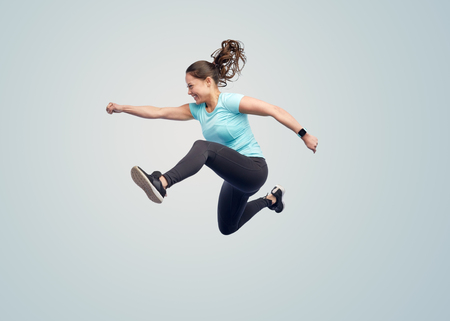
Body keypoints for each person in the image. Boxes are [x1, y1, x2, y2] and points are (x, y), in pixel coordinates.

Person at [106, 39, 318, 235]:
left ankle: (162, 182)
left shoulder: (230, 102)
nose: (189, 92)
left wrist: (304, 134)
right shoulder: (198, 110)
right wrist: (122, 108)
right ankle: (271, 200)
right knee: (227, 227)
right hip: (235, 178)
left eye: (191, 86)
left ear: (207, 81)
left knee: (203, 147)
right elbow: (159, 111)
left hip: (254, 170)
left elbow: (273, 109)